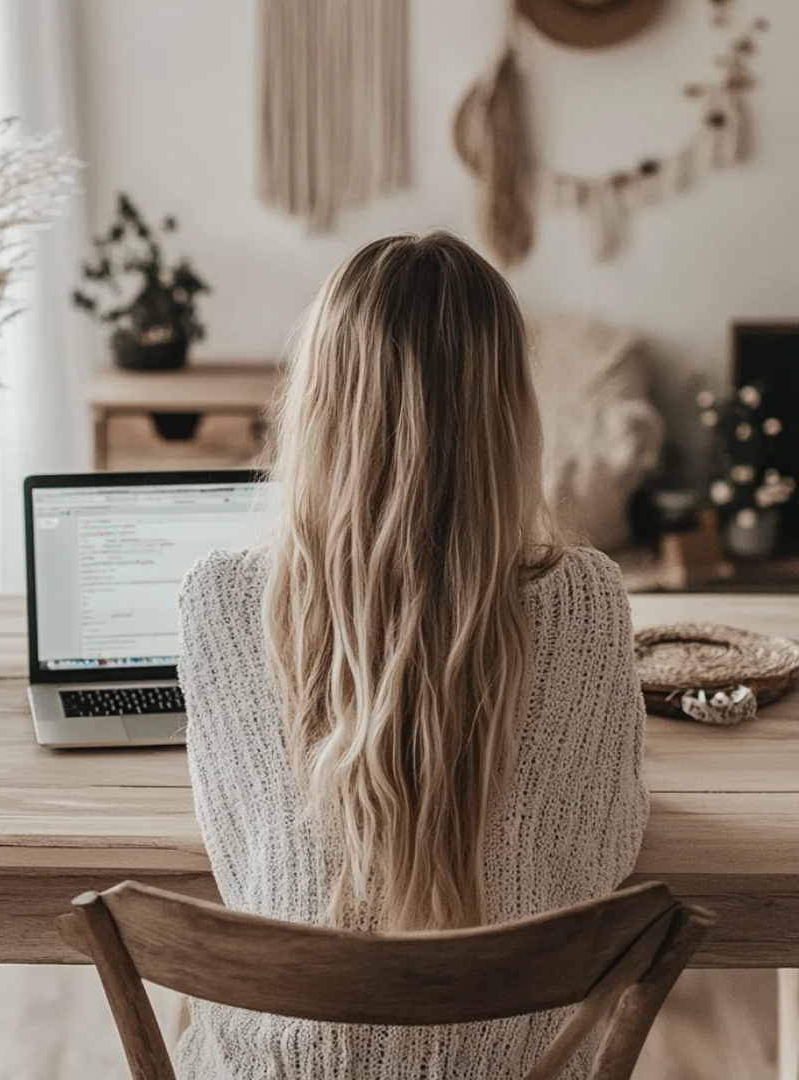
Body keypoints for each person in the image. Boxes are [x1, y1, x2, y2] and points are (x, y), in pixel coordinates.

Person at [173, 230, 649, 1079]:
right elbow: (605, 854)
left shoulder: (219, 601)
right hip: (519, 1060)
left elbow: (241, 861)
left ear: (317, 401)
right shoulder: (587, 602)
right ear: (511, 409)